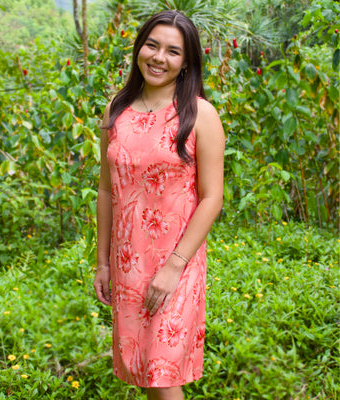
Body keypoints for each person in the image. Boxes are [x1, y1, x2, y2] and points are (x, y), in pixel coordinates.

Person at [94, 10, 225, 400]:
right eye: (152, 45)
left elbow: (212, 197)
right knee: (147, 373)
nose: (158, 57)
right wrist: (102, 263)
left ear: (186, 62)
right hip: (128, 262)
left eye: (172, 51)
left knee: (164, 375)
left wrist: (174, 267)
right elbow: (106, 191)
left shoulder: (200, 114)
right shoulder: (117, 109)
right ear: (139, 48)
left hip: (177, 264)